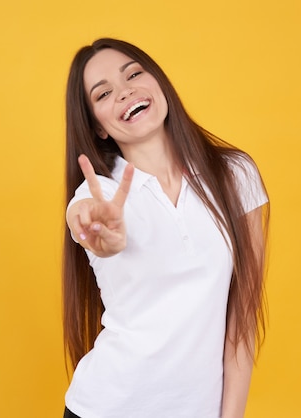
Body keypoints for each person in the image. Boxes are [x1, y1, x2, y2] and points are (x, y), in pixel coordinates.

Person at [62, 38, 269, 418]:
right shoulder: (101, 194)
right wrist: (99, 233)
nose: (125, 92)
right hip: (106, 408)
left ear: (158, 83)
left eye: (134, 74)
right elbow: (86, 221)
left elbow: (242, 316)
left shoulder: (236, 175)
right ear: (98, 128)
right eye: (104, 93)